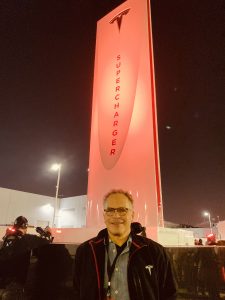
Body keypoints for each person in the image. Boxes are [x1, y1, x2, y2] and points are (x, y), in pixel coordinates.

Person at [73, 189, 177, 300]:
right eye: (110, 210)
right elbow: (76, 291)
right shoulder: (86, 251)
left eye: (122, 210)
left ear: (132, 215)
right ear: (104, 215)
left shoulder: (155, 252)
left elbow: (170, 294)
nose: (116, 215)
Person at [0, 216, 53, 300]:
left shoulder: (7, 238)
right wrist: (48, 232)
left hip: (2, 283)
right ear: (25, 227)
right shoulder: (27, 239)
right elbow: (47, 240)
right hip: (14, 286)